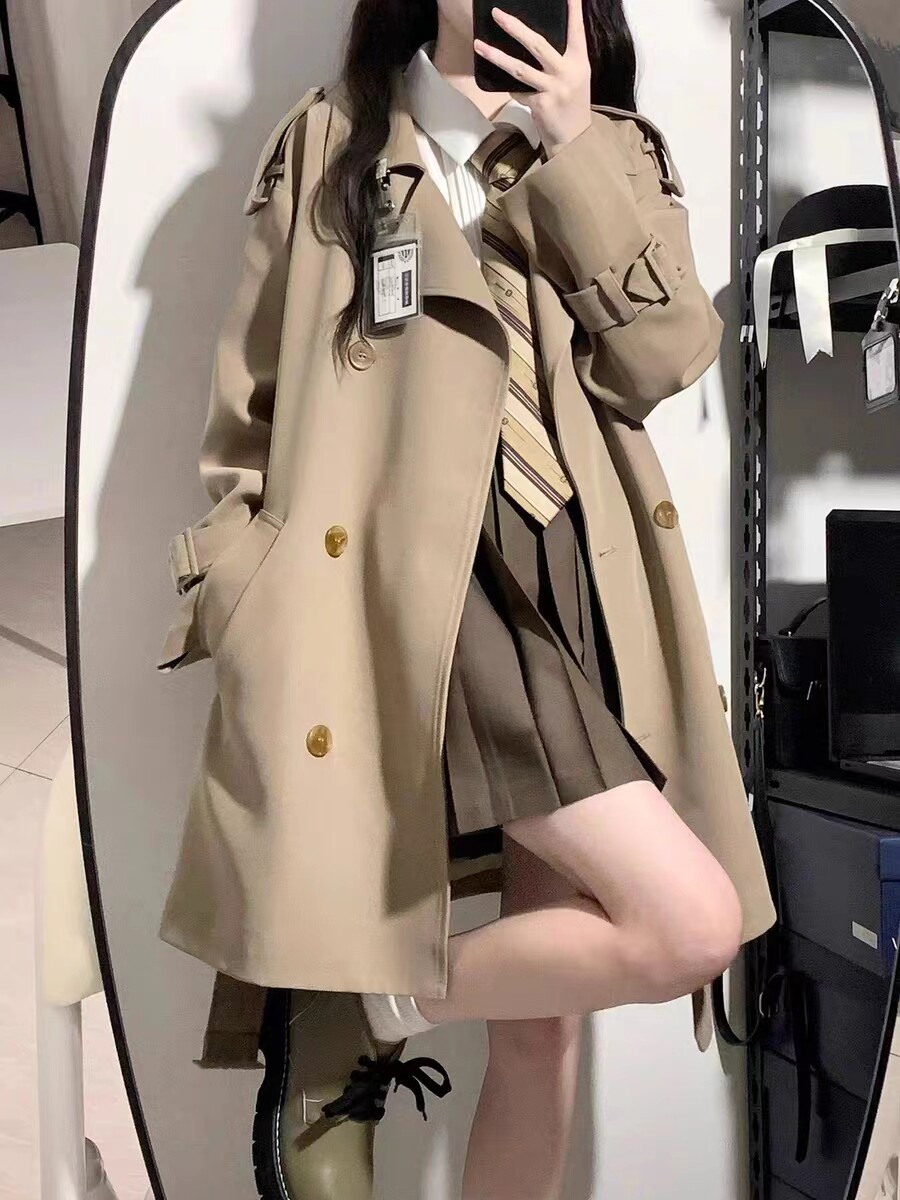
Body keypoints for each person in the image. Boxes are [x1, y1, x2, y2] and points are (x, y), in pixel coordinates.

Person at [156, 0, 777, 1196]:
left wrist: (571, 143)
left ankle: (366, 1002)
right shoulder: (332, 142)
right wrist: (246, 587)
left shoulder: (615, 145)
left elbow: (663, 359)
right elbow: (250, 410)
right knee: (689, 922)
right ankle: (377, 1004)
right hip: (414, 594)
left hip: (579, 584)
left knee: (544, 1033)